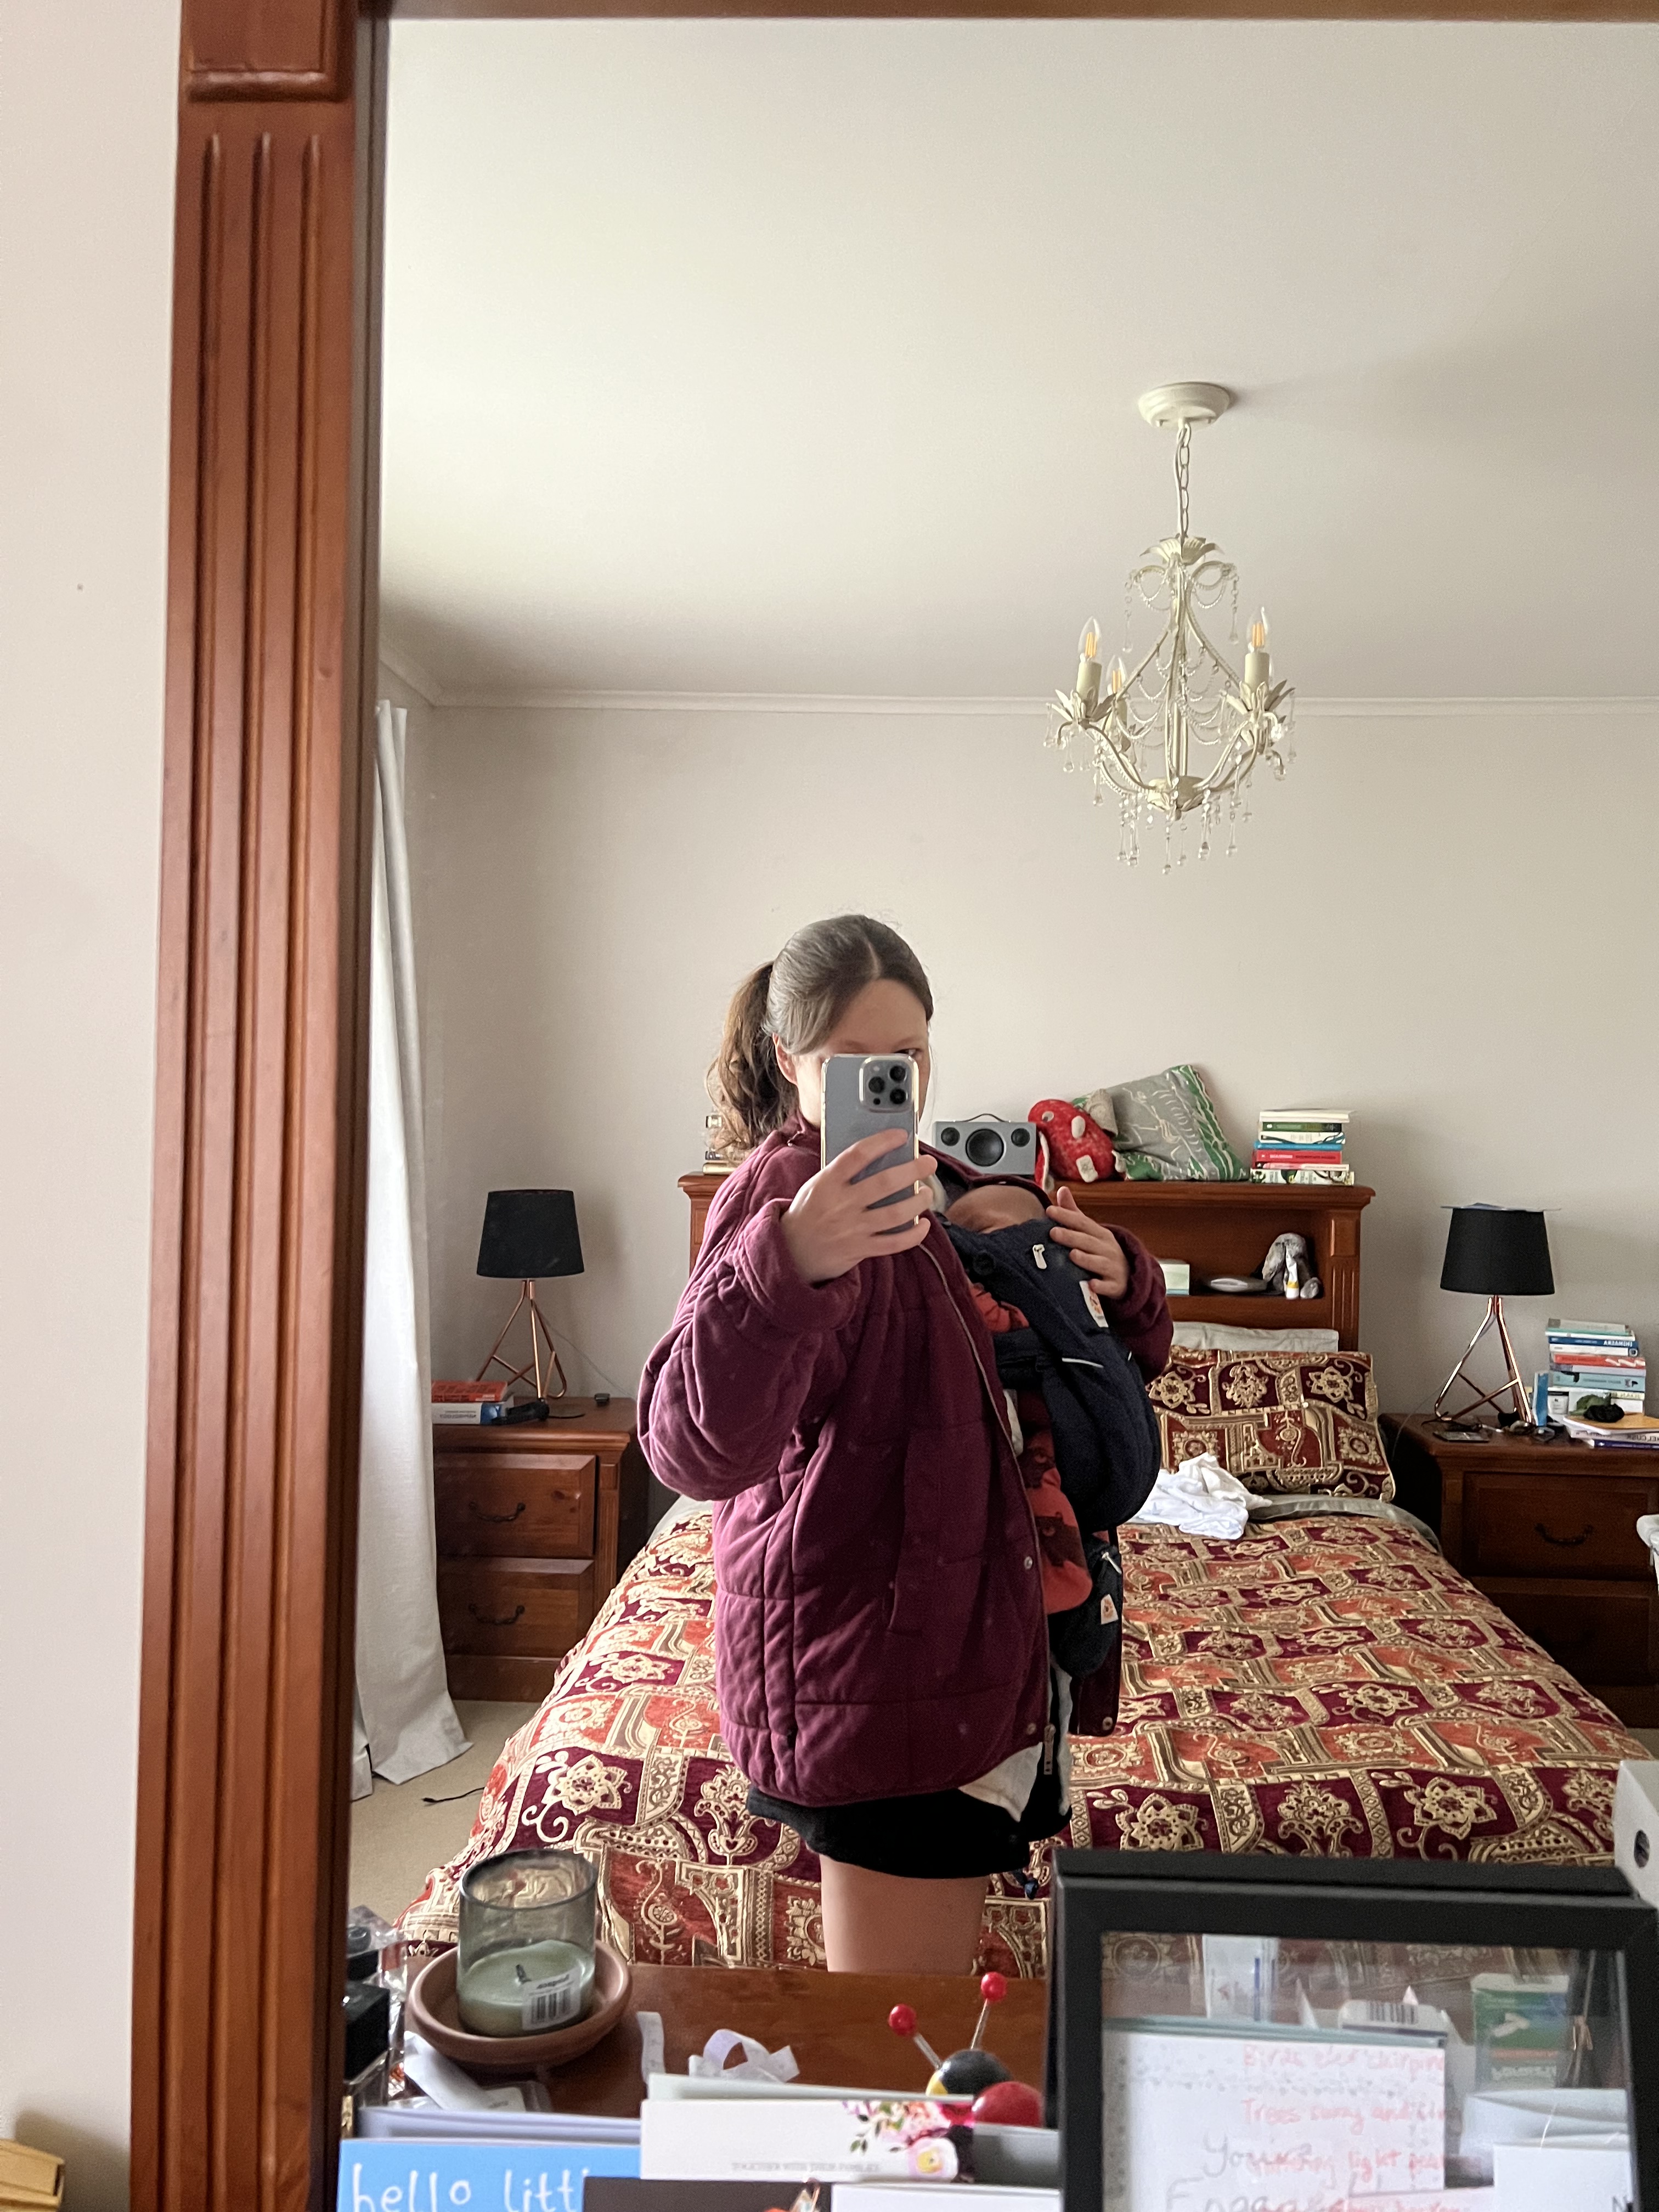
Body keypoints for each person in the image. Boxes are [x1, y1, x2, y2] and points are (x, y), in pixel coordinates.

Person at [637, 914, 1171, 1973]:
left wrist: (1126, 1281)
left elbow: (1054, 1376)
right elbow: (691, 1449)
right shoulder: (780, 1197)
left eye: (910, 1055)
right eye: (855, 1063)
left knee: (919, 2029)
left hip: (963, 1650)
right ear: (789, 1061)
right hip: (876, 1673)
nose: (892, 1082)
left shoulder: (941, 1190)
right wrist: (789, 1261)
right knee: (899, 2042)